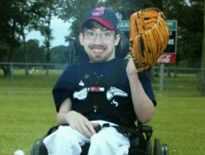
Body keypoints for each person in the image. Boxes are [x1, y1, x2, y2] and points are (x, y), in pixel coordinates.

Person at [43, 6, 156, 155]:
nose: (98, 41)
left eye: (105, 34)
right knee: (62, 137)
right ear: (82, 39)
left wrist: (132, 75)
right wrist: (69, 115)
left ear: (116, 39)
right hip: (78, 129)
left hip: (117, 133)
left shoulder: (131, 67)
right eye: (91, 34)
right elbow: (61, 115)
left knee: (102, 141)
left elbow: (145, 117)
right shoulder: (73, 71)